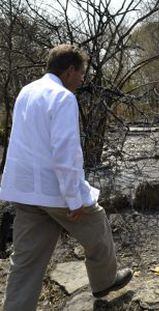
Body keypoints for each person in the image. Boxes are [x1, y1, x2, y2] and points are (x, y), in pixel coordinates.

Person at [0, 44, 132, 310]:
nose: (83, 78)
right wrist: (74, 199)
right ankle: (105, 280)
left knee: (25, 261)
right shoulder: (62, 97)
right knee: (96, 223)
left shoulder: (27, 91)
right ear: (70, 70)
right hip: (53, 190)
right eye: (81, 72)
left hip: (24, 190)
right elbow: (66, 152)